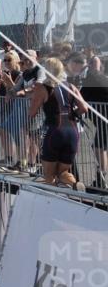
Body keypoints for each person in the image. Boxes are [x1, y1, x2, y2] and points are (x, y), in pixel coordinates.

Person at [29, 57, 89, 190]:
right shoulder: (71, 86)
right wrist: (73, 114)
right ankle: (75, 185)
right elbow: (84, 108)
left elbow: (32, 113)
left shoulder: (43, 88)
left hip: (54, 131)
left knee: (49, 175)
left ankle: (52, 200)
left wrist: (34, 98)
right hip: (72, 132)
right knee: (63, 172)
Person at [80, 55, 108, 189]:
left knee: (99, 147)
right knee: (99, 146)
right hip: (100, 119)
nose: (90, 65)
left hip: (104, 118)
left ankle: (102, 179)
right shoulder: (94, 78)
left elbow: (80, 96)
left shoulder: (95, 78)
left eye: (93, 63)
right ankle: (101, 177)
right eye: (90, 63)